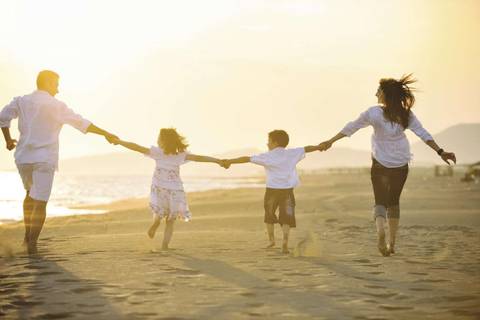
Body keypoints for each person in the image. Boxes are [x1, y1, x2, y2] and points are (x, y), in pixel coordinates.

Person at [319, 74, 456, 256]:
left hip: (380, 163)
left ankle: (380, 231)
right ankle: (391, 244)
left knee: (380, 202)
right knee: (394, 202)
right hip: (400, 163)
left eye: (378, 91)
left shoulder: (373, 113)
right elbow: (423, 134)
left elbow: (351, 127)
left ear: (385, 95)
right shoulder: (406, 114)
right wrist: (440, 152)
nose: (376, 94)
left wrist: (330, 141)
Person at [0, 70, 118, 254]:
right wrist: (106, 134)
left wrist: (7, 139)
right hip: (44, 159)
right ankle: (32, 244)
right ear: (47, 83)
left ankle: (26, 238)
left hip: (23, 158)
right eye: (56, 84)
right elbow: (82, 123)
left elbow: (3, 117)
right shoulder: (56, 105)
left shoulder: (21, 101)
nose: (58, 89)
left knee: (29, 194)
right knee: (40, 201)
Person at [111, 128, 226, 250]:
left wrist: (119, 141)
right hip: (175, 189)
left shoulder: (157, 152)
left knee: (159, 212)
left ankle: (155, 223)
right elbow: (200, 158)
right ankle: (165, 246)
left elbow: (136, 147)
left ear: (162, 141)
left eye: (159, 138)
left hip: (159, 187)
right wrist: (218, 161)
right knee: (171, 220)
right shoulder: (181, 155)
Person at [223, 130, 323, 254]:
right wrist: (320, 146)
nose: (267, 144)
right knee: (286, 217)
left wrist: (229, 161)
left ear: (275, 142)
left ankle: (271, 240)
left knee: (269, 215)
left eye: (269, 141)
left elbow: (246, 159)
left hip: (272, 191)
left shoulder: (267, 156)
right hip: (287, 190)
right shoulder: (292, 153)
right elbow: (307, 148)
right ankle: (285, 242)